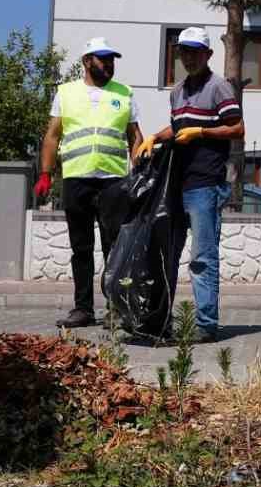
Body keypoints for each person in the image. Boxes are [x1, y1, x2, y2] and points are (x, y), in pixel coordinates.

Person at [136, 27, 243, 342]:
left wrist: (201, 133)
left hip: (205, 184)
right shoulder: (178, 90)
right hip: (176, 185)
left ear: (209, 55)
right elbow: (177, 126)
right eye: (184, 51)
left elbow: (237, 128)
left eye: (196, 51)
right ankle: (160, 319)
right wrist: (155, 137)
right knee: (167, 254)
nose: (189, 56)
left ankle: (207, 326)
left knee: (201, 258)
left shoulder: (219, 87)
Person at [36, 36, 142, 329]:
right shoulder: (66, 93)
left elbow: (134, 137)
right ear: (86, 61)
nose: (109, 64)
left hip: (113, 182)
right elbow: (52, 135)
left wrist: (141, 172)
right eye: (102, 58)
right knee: (80, 248)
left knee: (115, 248)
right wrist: (46, 173)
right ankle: (83, 309)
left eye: (111, 59)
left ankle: (116, 309)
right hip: (77, 179)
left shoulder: (125, 93)